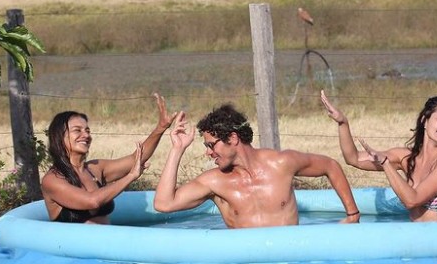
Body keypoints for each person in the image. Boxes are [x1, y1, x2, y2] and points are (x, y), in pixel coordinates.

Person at [153, 103, 360, 228]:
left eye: (211, 145)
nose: (208, 152)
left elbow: (331, 166)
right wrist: (177, 149)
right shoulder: (214, 182)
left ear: (232, 138)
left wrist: (352, 215)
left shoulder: (281, 163)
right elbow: (163, 204)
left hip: (289, 263)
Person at [320, 90, 437, 222]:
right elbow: (353, 158)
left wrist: (386, 164)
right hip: (417, 238)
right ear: (424, 121)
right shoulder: (406, 157)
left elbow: (412, 200)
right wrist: (343, 123)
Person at [41, 93, 176, 224]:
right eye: (77, 130)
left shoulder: (95, 168)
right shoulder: (52, 179)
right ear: (59, 136)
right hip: (73, 247)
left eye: (87, 131)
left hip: (108, 244)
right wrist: (130, 177)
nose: (86, 135)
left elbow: (137, 158)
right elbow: (92, 201)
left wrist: (161, 128)